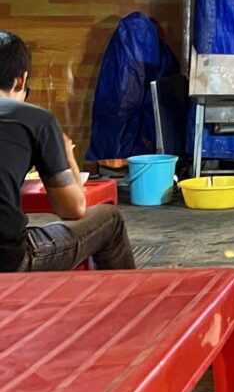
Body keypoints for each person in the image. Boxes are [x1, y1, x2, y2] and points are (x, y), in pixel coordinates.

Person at [0, 30, 136, 274]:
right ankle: (131, 304)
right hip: (9, 262)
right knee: (109, 219)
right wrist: (66, 152)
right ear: (21, 80)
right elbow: (73, 209)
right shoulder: (35, 119)